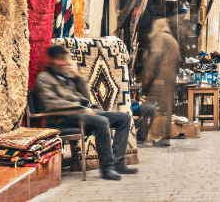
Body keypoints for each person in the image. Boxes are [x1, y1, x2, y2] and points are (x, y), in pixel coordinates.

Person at [33, 45, 138, 181]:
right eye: (58, 59)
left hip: (79, 114)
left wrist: (77, 78)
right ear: (50, 60)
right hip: (61, 118)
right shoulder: (44, 78)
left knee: (124, 119)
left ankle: (118, 163)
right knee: (102, 122)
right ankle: (107, 168)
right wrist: (82, 110)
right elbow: (52, 105)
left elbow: (85, 97)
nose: (63, 62)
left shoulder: (65, 77)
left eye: (64, 59)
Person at [143, 18, 180, 146]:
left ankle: (149, 137)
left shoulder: (159, 37)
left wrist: (148, 75)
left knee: (153, 106)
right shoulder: (173, 40)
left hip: (159, 77)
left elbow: (154, 55)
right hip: (170, 78)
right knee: (167, 107)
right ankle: (166, 136)